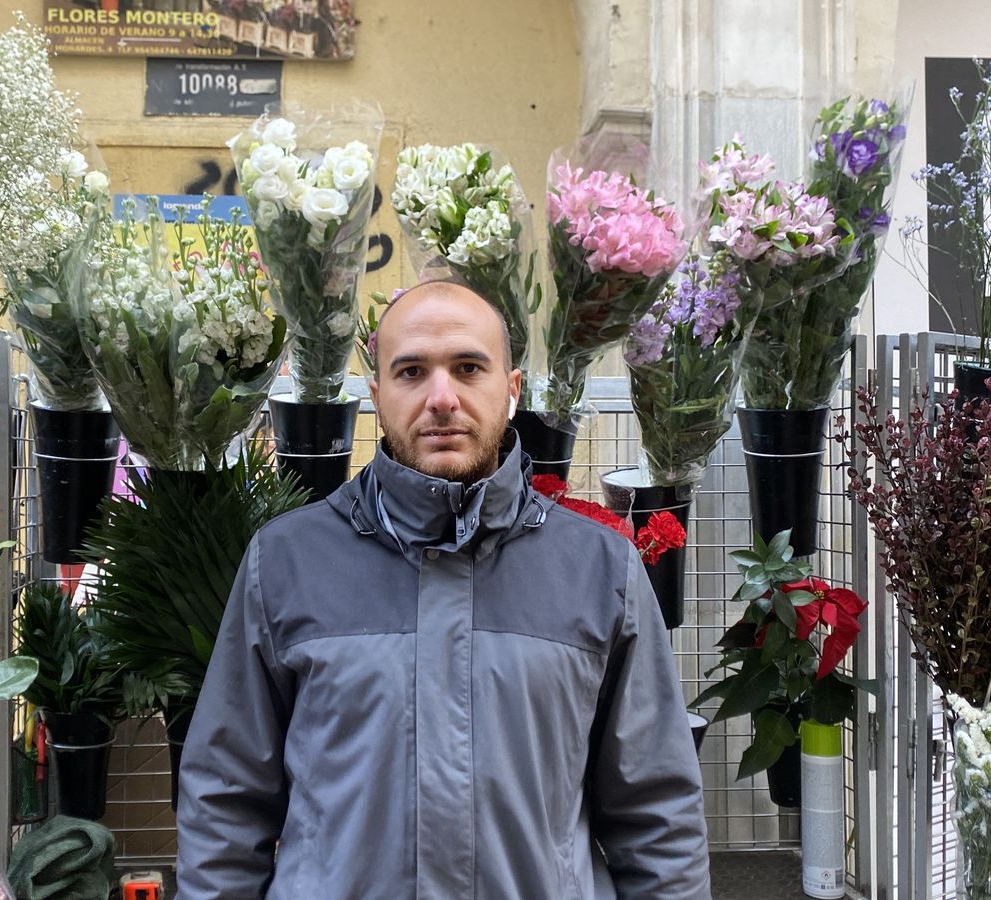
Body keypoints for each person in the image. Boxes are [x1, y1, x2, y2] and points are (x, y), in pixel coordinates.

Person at [175, 279, 711, 898]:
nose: (441, 397)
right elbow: (225, 802)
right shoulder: (288, 562)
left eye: (467, 367)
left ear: (510, 391)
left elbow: (657, 817)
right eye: (410, 372)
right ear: (376, 394)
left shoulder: (599, 570)